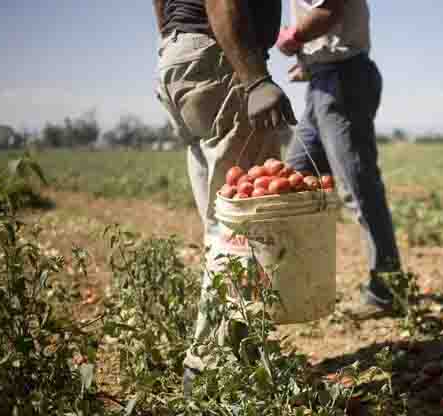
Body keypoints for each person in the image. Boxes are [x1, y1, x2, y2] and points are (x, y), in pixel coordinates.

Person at [152, 0, 296, 398]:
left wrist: (175, 40)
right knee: (243, 228)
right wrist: (254, 79)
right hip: (219, 59)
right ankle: (211, 370)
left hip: (181, 58)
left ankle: (239, 356)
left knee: (224, 226)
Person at [275, 0, 401, 309]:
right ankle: (296, 283)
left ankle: (387, 290)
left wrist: (292, 38)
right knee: (295, 178)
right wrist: (311, 62)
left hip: (343, 79)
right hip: (325, 79)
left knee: (357, 187)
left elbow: (328, 10)